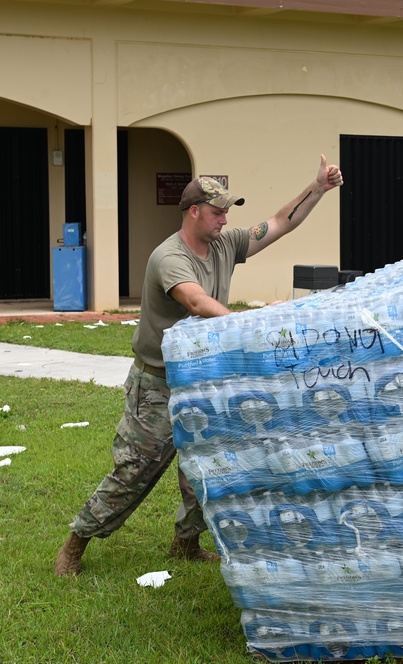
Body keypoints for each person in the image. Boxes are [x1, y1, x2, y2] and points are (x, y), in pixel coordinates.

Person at [54, 154, 344, 576]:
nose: (224, 220)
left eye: (227, 212)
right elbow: (194, 301)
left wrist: (318, 186)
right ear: (194, 212)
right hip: (158, 384)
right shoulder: (169, 257)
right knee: (135, 470)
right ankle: (75, 543)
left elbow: (280, 223)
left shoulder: (225, 243)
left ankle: (186, 544)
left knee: (207, 468)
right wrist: (253, 321)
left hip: (203, 380)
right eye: (217, 212)